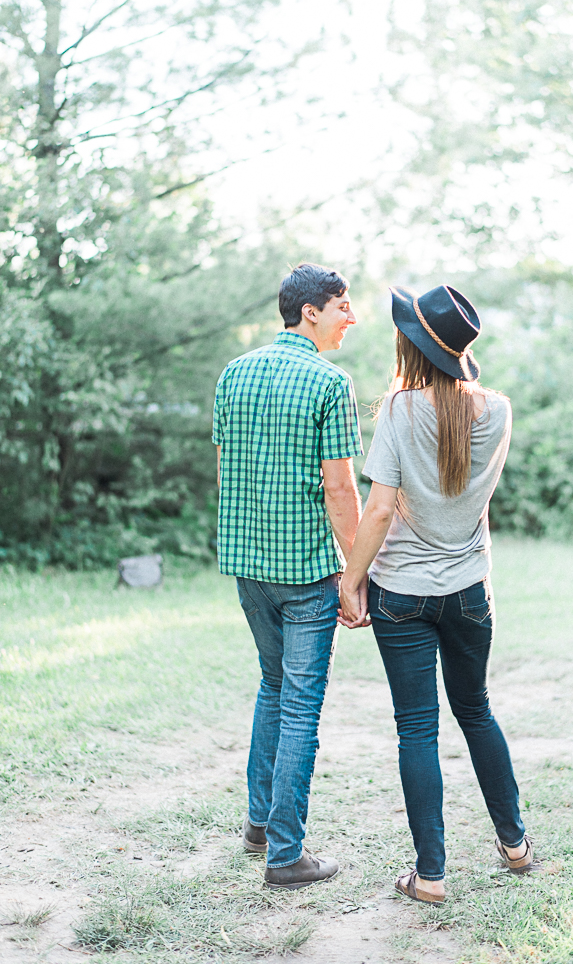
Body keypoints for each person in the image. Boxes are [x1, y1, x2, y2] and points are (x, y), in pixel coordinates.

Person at [339, 284, 532, 903]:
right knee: (475, 708)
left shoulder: (397, 410)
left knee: (417, 729)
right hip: (470, 587)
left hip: (402, 592)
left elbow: (378, 510)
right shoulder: (497, 411)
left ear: (414, 346)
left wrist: (351, 580)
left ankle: (431, 877)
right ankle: (516, 846)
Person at [213, 263, 364, 890]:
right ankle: (285, 854)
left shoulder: (232, 374)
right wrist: (355, 575)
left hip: (248, 567)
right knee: (300, 703)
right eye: (341, 306)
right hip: (305, 574)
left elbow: (226, 471)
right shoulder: (331, 382)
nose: (350, 317)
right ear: (309, 312)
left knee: (273, 685)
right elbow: (340, 486)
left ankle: (257, 824)